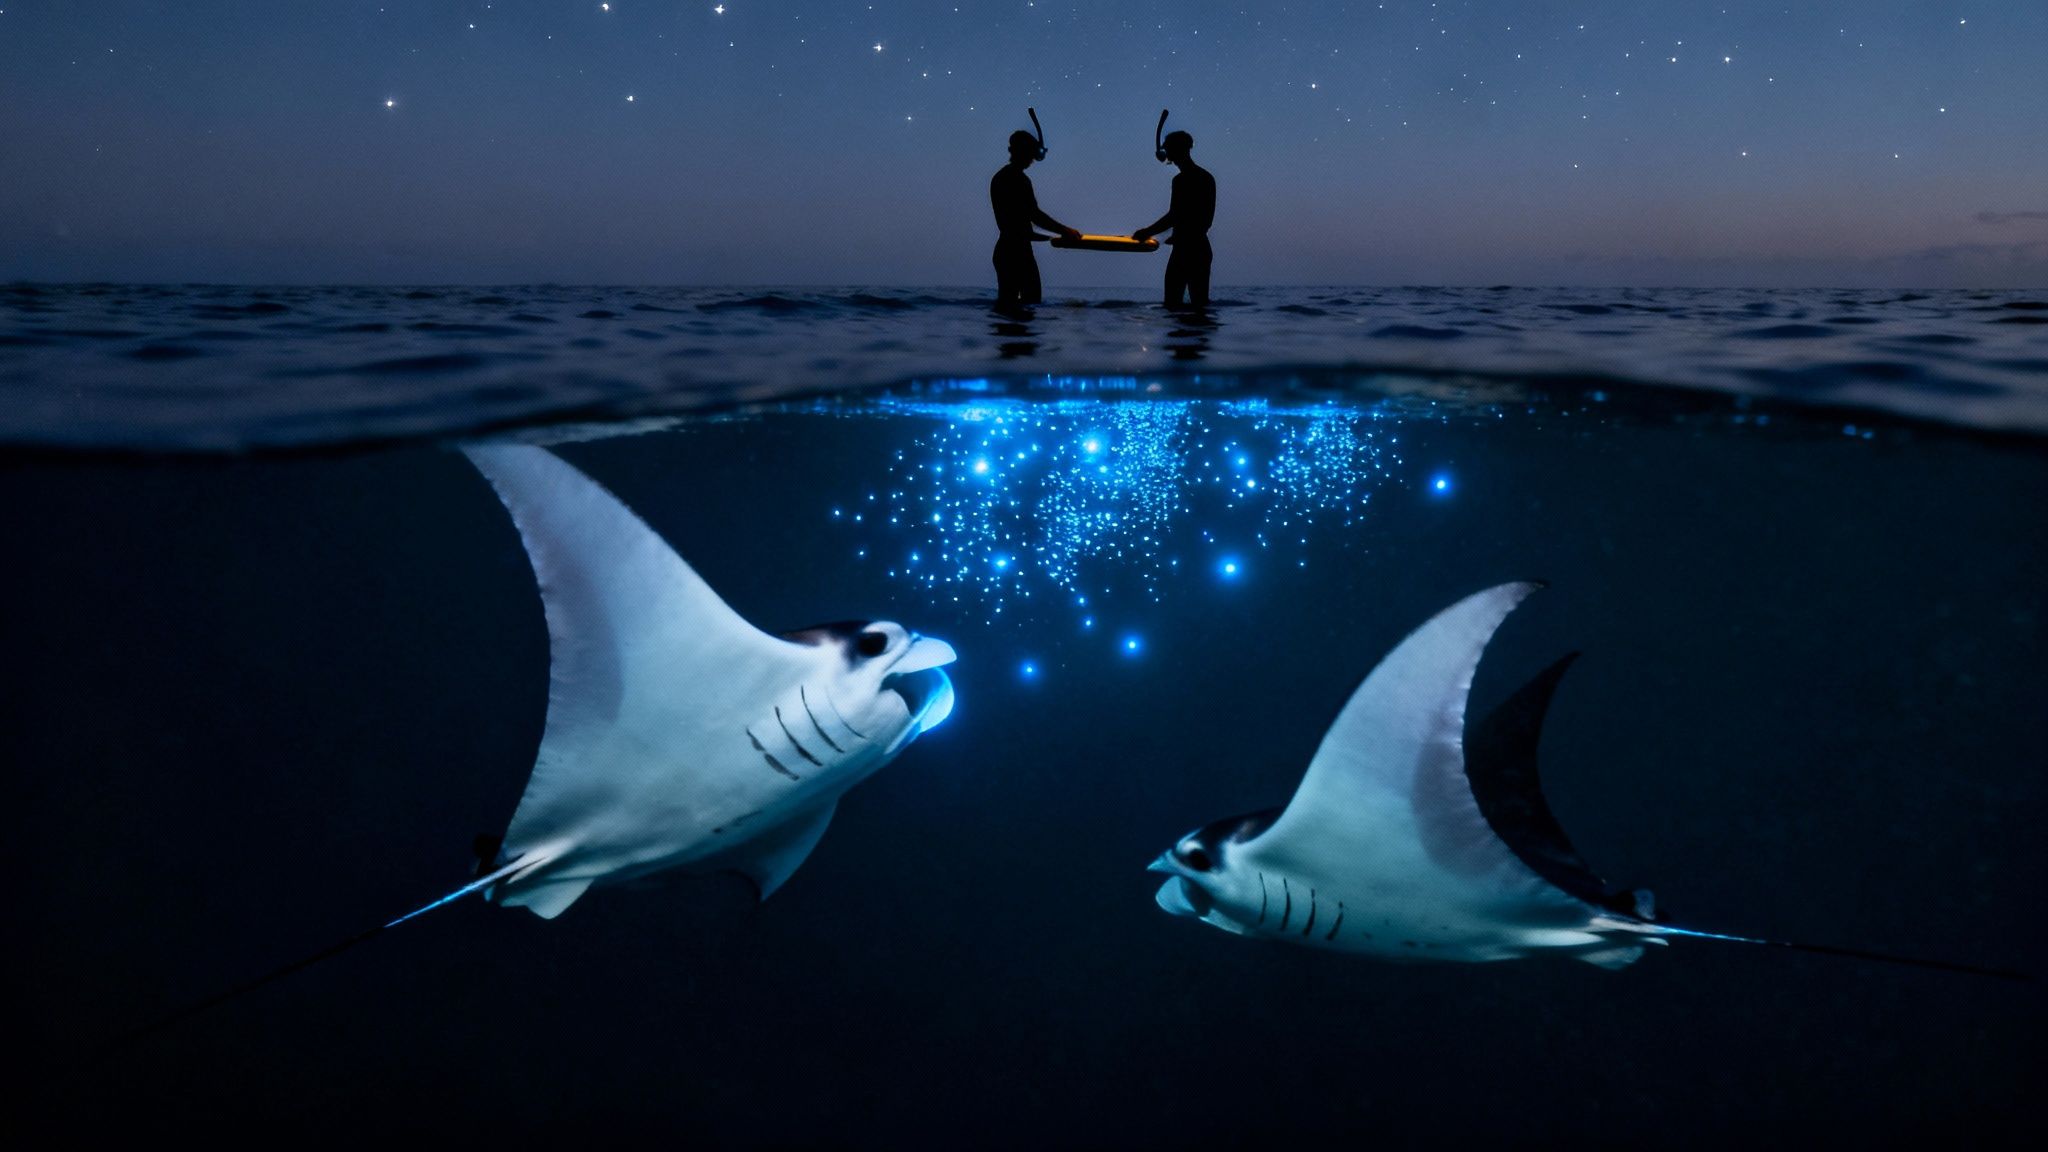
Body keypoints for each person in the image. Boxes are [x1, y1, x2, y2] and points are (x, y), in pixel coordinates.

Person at [990, 130, 1078, 308]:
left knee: (1009, 305)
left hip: (1008, 249)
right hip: (1016, 252)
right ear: (1024, 152)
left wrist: (1049, 236)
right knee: (1028, 302)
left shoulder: (1000, 177)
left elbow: (1018, 222)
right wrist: (1065, 231)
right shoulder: (1017, 179)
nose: (1032, 159)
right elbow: (1034, 215)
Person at [1132, 130, 1216, 308]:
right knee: (1200, 307)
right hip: (1199, 248)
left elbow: (1175, 215)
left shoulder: (1182, 180)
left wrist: (1147, 232)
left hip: (1187, 251)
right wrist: (1179, 234)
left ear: (1175, 150)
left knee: (1172, 305)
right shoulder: (1207, 177)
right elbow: (1203, 220)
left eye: (1168, 149)